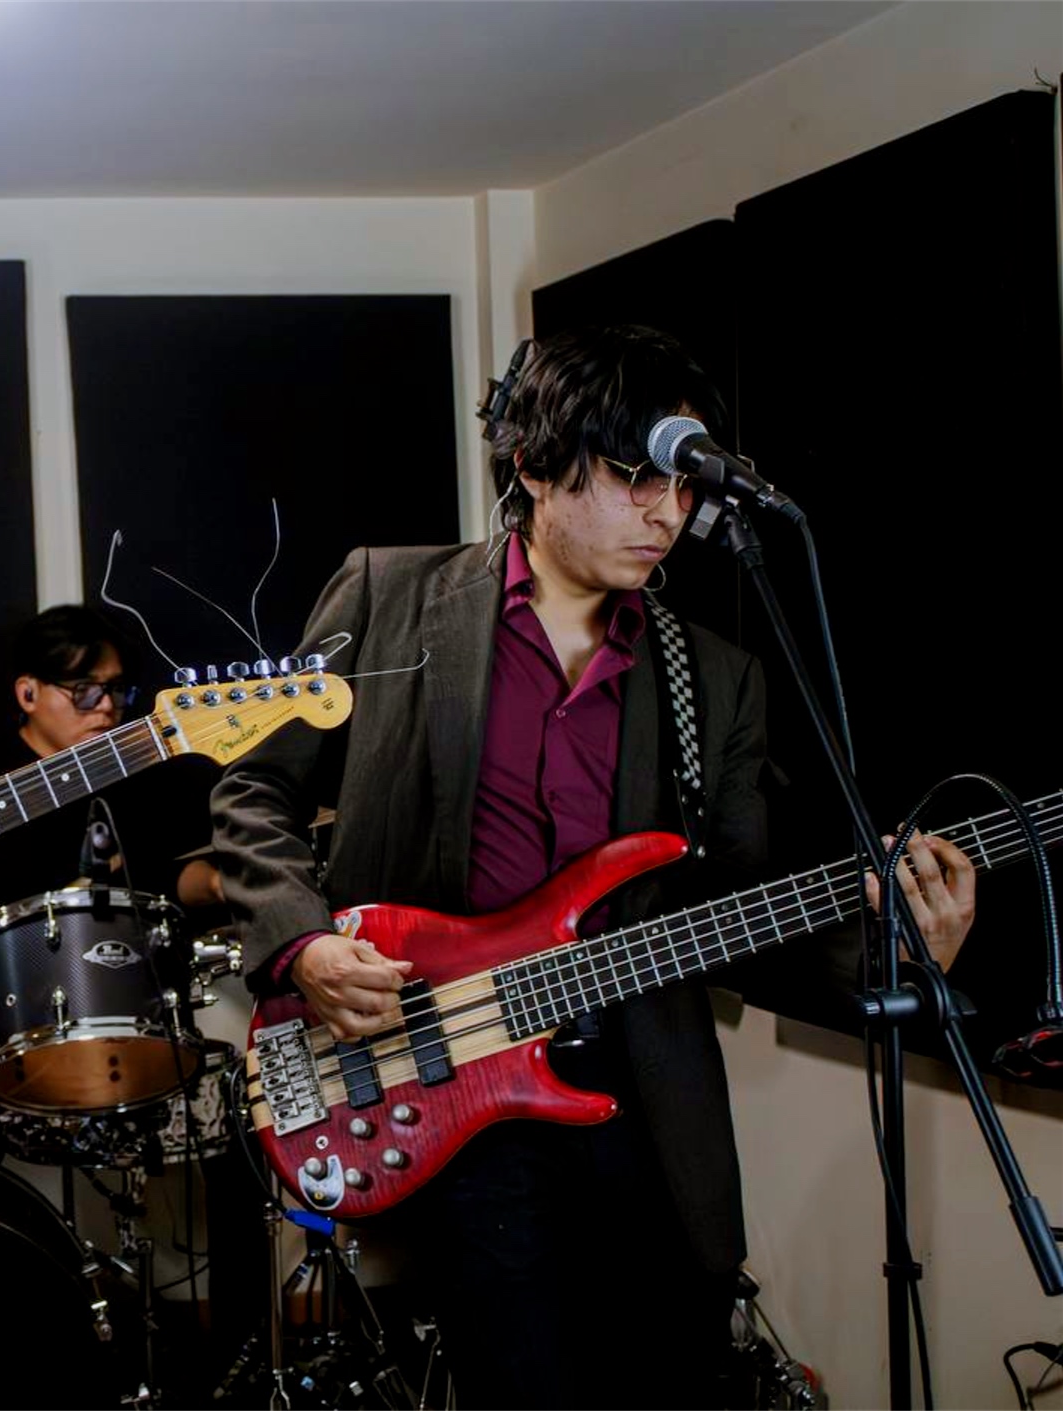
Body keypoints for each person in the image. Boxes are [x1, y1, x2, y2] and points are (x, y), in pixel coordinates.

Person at [210, 325, 976, 1408]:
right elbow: (253, 788)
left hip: (645, 1107)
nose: (669, 512)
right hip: (452, 1083)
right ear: (534, 464)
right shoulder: (387, 595)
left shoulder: (717, 676)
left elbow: (734, 918)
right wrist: (303, 945)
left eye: (683, 483)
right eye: (634, 476)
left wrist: (891, 947)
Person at [0, 603, 224, 1154]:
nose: (105, 707)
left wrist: (224, 884)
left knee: (219, 1133)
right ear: (28, 693)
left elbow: (164, 879)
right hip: (7, 1016)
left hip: (131, 1013)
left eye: (116, 690)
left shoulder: (138, 775)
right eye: (84, 690)